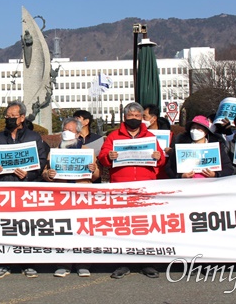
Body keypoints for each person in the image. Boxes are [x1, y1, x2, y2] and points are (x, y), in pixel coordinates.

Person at [97, 102, 166, 279]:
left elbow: (161, 161)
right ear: (124, 117)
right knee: (123, 225)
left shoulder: (150, 136)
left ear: (142, 118)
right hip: (121, 185)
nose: (133, 119)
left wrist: (159, 157)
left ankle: (147, 263)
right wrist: (108, 156)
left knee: (145, 224)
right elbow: (102, 157)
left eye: (137, 116)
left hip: (146, 186)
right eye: (130, 116)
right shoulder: (114, 136)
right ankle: (123, 262)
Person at [0, 101, 48, 279]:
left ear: (22, 117)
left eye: (14, 117)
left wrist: (28, 174)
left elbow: (41, 160)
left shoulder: (34, 137)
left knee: (25, 226)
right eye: (7, 117)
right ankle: (3, 263)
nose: (10, 119)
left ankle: (27, 263)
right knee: (4, 226)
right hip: (4, 186)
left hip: (25, 187)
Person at [43, 117, 99, 277]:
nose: (66, 133)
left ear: (78, 133)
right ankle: (63, 263)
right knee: (63, 229)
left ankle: (83, 264)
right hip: (61, 196)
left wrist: (93, 169)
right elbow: (45, 173)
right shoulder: (54, 152)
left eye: (70, 130)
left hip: (82, 195)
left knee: (82, 229)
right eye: (65, 129)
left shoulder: (87, 151)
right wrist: (49, 174)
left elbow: (95, 177)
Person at [166, 115, 234, 179]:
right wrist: (181, 175)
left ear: (206, 131)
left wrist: (215, 174)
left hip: (210, 186)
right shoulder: (181, 148)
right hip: (187, 186)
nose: (194, 131)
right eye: (193, 128)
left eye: (199, 128)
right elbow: (169, 168)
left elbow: (228, 168)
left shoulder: (216, 148)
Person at [142, 104, 173, 179]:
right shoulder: (139, 135)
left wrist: (171, 152)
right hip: (146, 173)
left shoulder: (170, 135)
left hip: (163, 175)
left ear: (154, 118)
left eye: (144, 116)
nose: (142, 119)